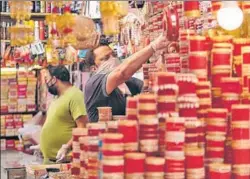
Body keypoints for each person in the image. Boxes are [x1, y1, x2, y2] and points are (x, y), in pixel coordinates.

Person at [84, 35, 169, 122]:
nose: (113, 59)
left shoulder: (130, 83)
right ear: (94, 68)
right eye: (105, 58)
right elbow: (122, 73)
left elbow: (150, 94)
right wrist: (153, 47)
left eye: (113, 54)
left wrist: (162, 60)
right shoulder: (93, 83)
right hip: (103, 134)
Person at [40, 65, 87, 164]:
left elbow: (82, 128)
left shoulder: (76, 95)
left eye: (47, 79)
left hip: (64, 160)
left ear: (54, 79)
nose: (46, 83)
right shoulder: (57, 97)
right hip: (50, 160)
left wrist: (66, 147)